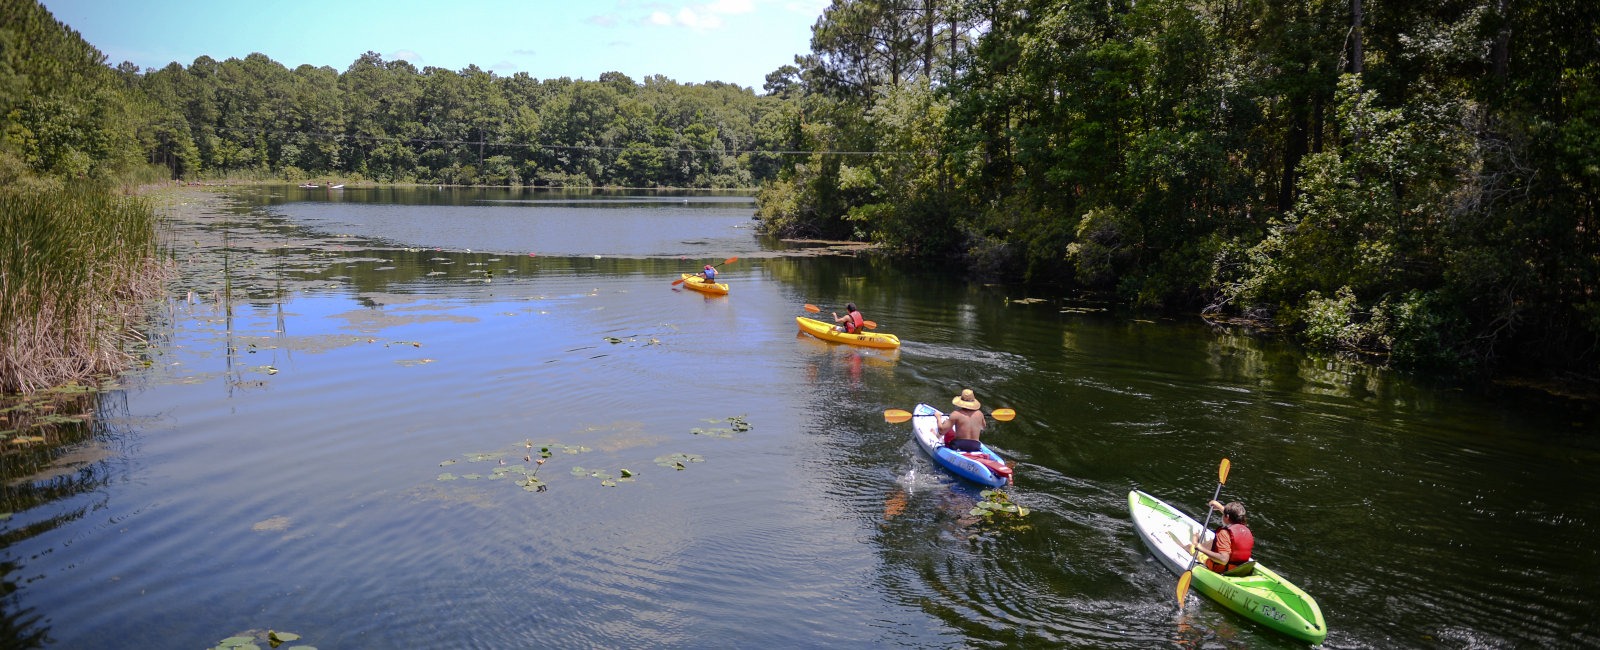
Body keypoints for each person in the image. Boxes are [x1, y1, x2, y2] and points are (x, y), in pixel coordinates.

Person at [1187, 500, 1255, 574]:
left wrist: (1201, 549)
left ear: (1227, 517)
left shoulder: (1224, 533)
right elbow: (1234, 518)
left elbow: (1223, 559)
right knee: (1214, 542)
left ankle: (1194, 543)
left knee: (1190, 547)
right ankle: (1197, 543)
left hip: (1222, 569)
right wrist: (1220, 507)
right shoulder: (1246, 530)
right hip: (1241, 569)